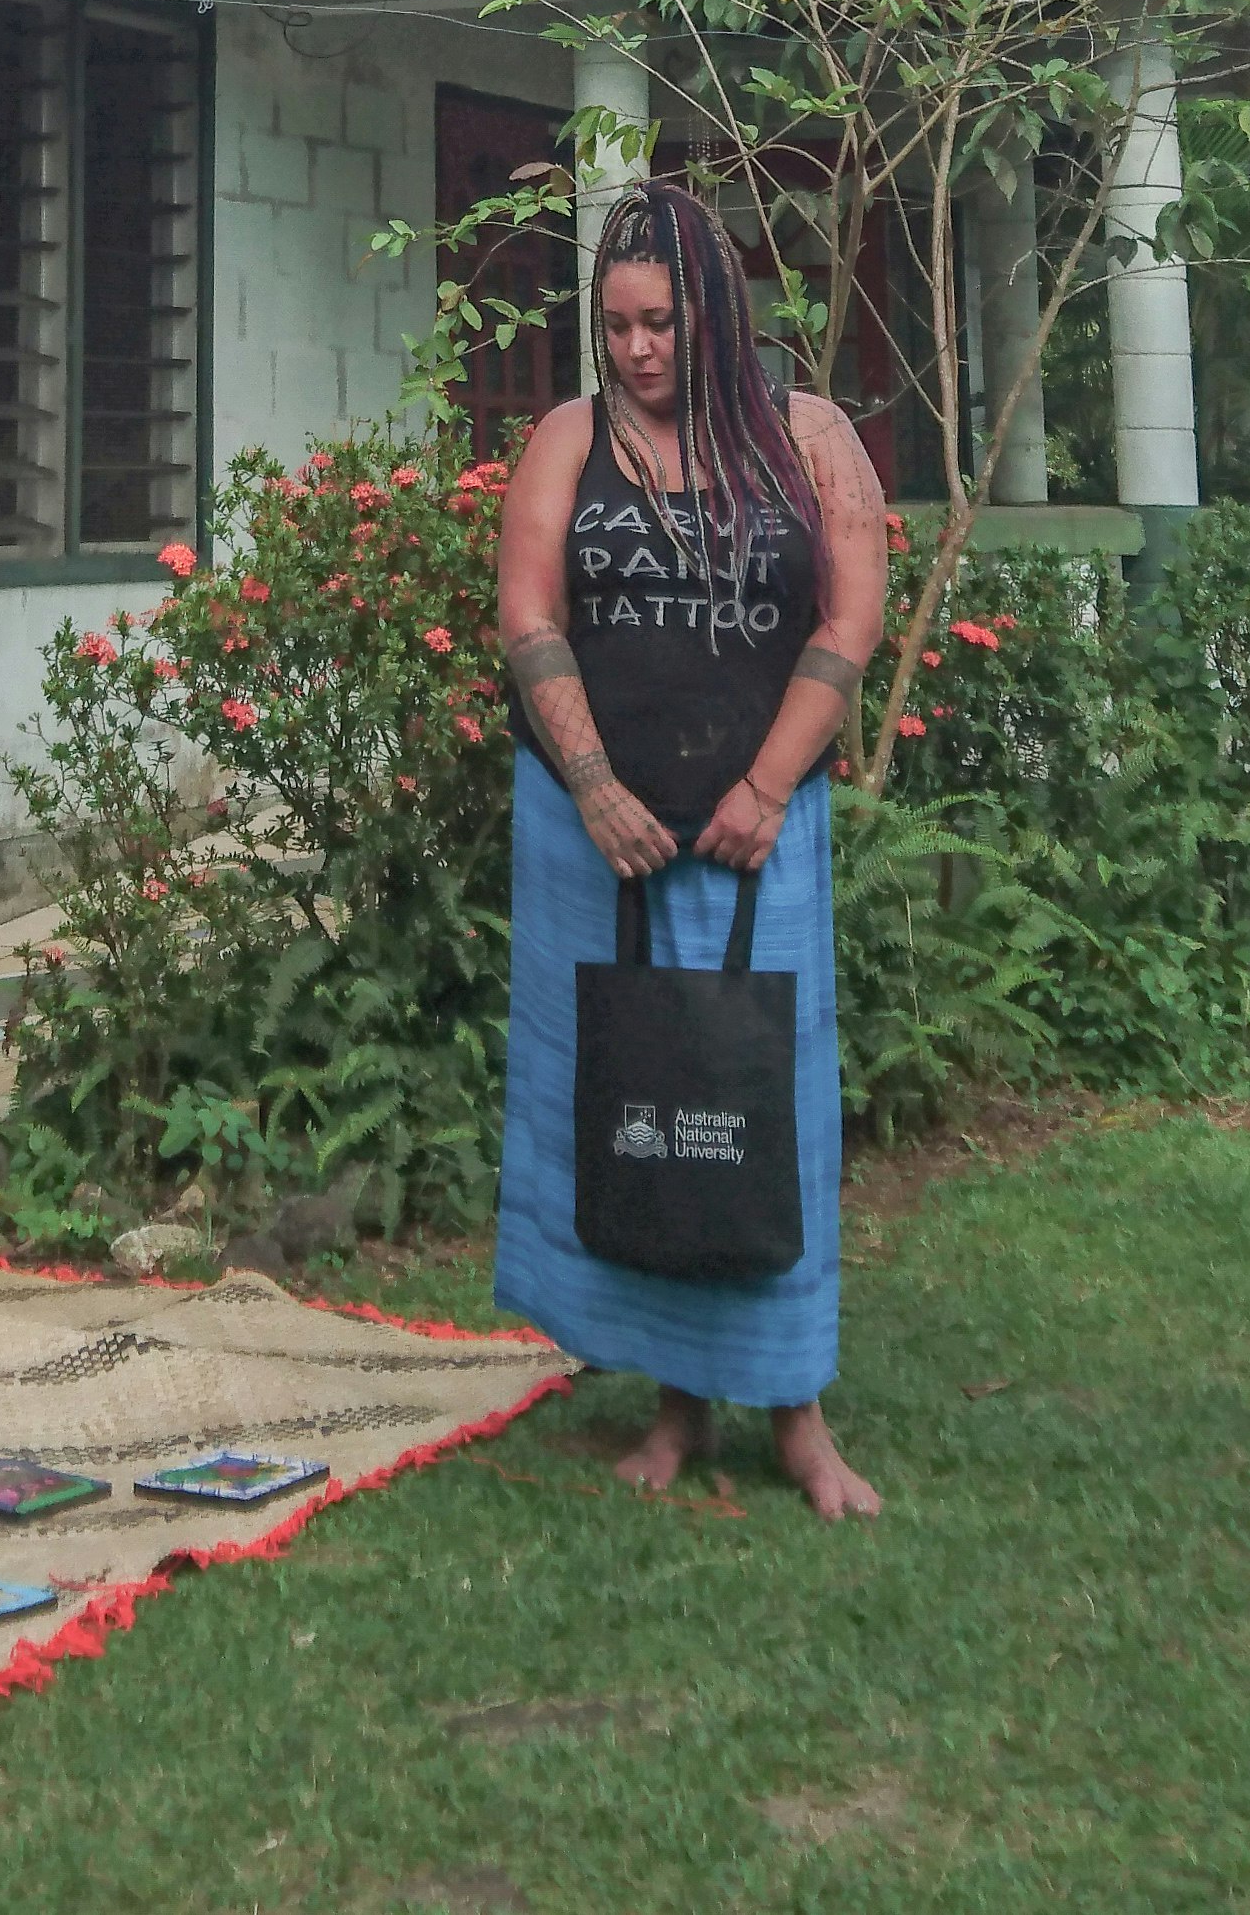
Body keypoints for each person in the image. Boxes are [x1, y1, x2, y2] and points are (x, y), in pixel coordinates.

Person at [490, 182, 893, 1521]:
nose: (637, 347)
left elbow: (851, 616)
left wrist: (771, 784)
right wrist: (595, 782)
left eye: (661, 321)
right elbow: (528, 610)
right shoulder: (568, 437)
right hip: (592, 835)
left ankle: (796, 1411)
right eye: (616, 323)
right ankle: (675, 1400)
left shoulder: (808, 434)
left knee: (761, 1102)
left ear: (714, 316)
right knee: (638, 1098)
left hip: (756, 831)